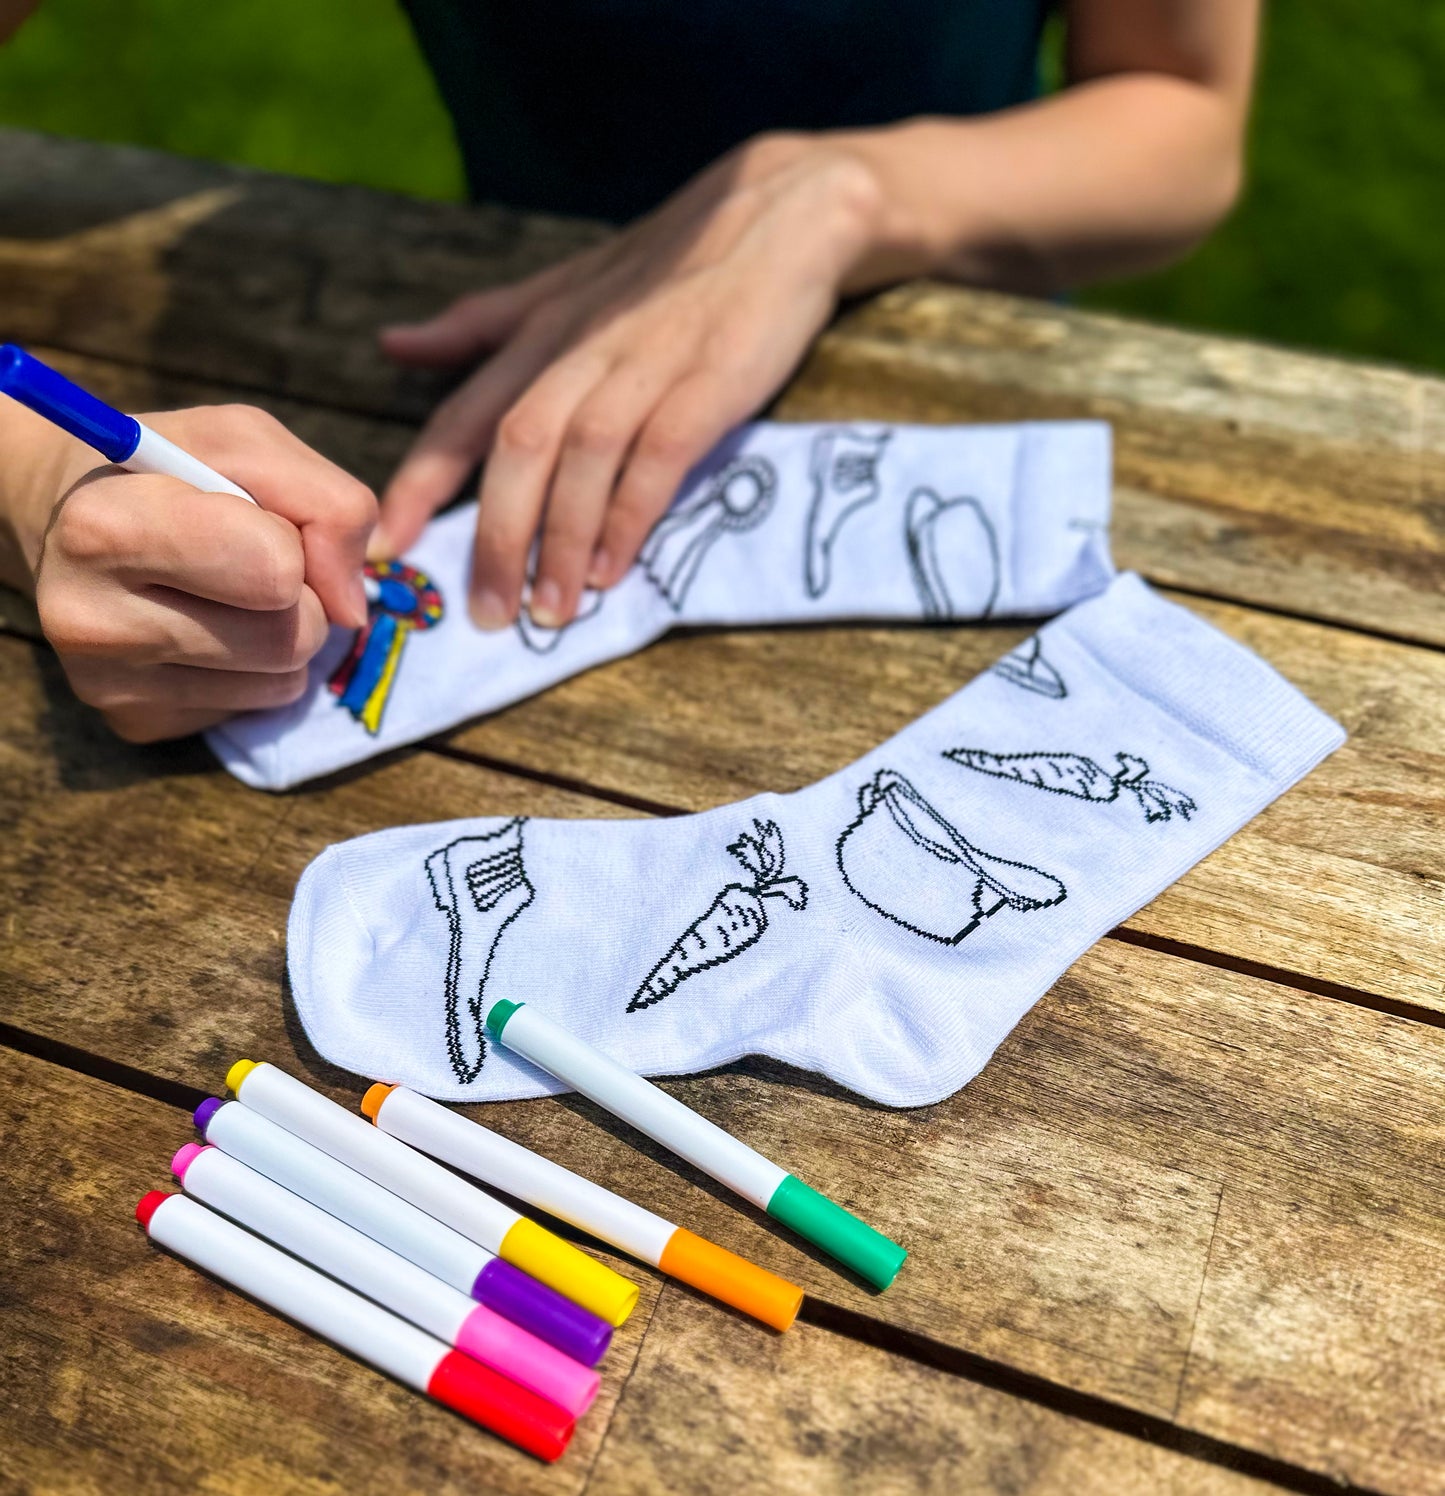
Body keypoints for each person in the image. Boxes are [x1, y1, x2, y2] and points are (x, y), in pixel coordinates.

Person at [0, 0, 1257, 743]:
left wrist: (850, 195)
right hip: (474, 362)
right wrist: (35, 464)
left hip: (968, 345)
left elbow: (1179, 113)